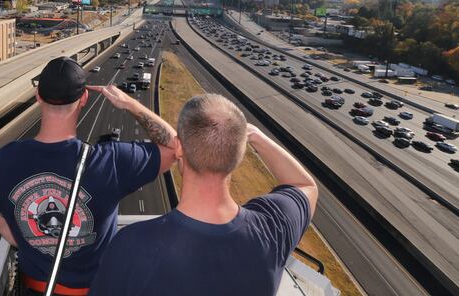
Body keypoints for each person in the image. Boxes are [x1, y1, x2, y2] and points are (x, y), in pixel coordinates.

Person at [89, 94, 318, 296]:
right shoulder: (273, 230)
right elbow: (305, 185)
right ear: (239, 155)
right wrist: (256, 135)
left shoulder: (131, 246)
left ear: (179, 148)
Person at [0, 57, 179, 295]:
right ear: (84, 99)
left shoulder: (5, 159)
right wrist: (130, 104)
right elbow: (175, 147)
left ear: (38, 95)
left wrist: (36, 246)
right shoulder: (111, 161)